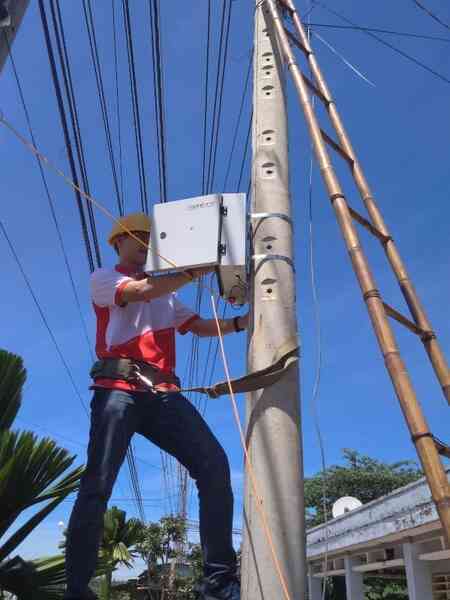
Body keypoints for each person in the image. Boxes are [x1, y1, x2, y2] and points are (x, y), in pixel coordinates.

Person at [64, 213, 247, 600]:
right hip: (118, 388)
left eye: (152, 238)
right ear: (119, 242)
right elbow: (140, 292)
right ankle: (77, 589)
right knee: (97, 483)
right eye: (141, 236)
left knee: (214, 466)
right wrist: (196, 271)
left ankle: (218, 582)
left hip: (163, 394)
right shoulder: (104, 279)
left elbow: (197, 325)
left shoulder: (167, 295)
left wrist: (241, 323)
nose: (148, 243)